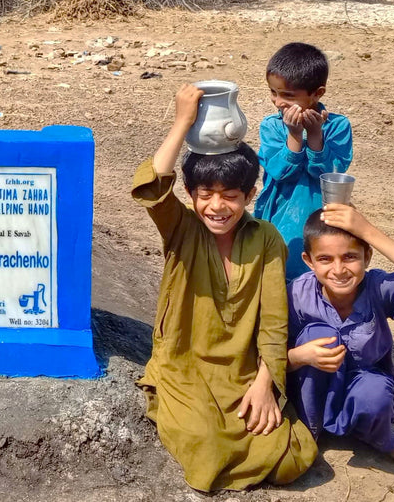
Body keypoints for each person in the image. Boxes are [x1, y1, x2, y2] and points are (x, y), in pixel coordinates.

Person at [131, 83, 316, 491]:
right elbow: (152, 185)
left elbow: (273, 319)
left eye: (230, 196)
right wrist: (182, 120)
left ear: (250, 194)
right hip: (186, 367)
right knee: (206, 445)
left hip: (242, 370)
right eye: (206, 195)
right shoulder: (182, 229)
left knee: (293, 456)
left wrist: (265, 385)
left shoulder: (266, 238)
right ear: (190, 196)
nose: (217, 207)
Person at [287, 204, 394, 473]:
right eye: (325, 259)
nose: (339, 270)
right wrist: (299, 356)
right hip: (311, 391)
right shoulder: (297, 294)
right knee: (319, 336)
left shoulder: (376, 288)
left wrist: (368, 231)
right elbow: (268, 352)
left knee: (374, 394)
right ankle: (308, 431)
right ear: (308, 261)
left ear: (367, 256)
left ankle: (382, 439)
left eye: (350, 257)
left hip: (364, 390)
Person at [254, 42, 353, 279]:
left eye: (287, 95)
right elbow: (280, 172)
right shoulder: (272, 127)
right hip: (278, 217)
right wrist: (295, 135)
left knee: (317, 275)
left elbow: (332, 175)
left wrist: (316, 135)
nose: (278, 102)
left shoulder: (338, 127)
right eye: (273, 92)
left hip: (322, 218)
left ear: (317, 93)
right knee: (277, 274)